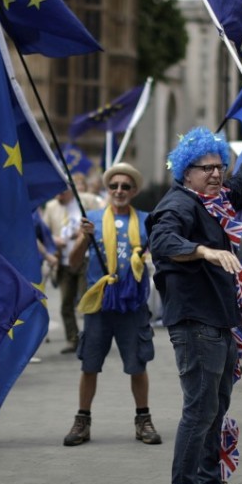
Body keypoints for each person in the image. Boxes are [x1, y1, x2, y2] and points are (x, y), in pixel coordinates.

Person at [147, 114, 242, 484]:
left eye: (219, 165)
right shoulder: (178, 203)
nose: (216, 174)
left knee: (216, 404)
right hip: (195, 320)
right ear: (186, 171)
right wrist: (206, 251)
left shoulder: (215, 200)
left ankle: (207, 481)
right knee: (200, 406)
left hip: (220, 319)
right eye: (207, 168)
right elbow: (163, 240)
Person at [62, 162, 160, 447]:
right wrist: (85, 238)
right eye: (114, 186)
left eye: (125, 186)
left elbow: (160, 254)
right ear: (107, 189)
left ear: (134, 190)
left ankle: (143, 420)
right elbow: (73, 262)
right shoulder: (90, 218)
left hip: (132, 306)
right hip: (99, 306)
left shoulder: (146, 221)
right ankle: (82, 421)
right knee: (89, 365)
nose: (119, 190)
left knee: (137, 365)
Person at [42, 178, 102, 353]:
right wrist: (54, 241)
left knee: (87, 300)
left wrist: (85, 232)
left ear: (69, 190)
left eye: (61, 192)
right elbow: (44, 231)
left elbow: (101, 219)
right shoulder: (52, 207)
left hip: (85, 258)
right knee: (66, 304)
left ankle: (92, 339)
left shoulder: (87, 200)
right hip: (63, 260)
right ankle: (73, 339)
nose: (58, 195)